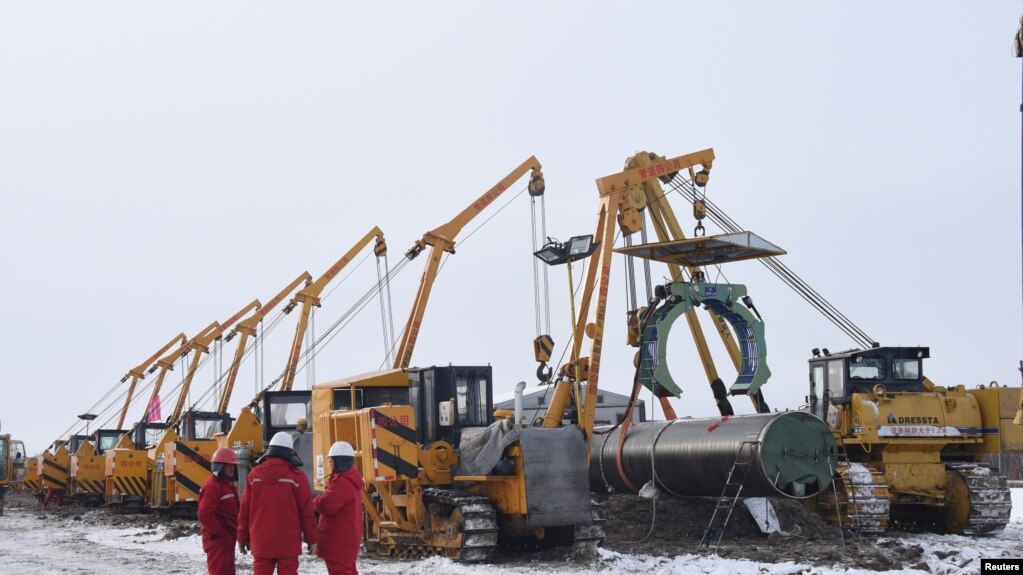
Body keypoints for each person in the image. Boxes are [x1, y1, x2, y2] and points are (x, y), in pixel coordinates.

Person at [237, 432, 318, 575]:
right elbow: (306, 512)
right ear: (289, 452)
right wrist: (311, 539)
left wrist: (242, 537)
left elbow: (245, 510)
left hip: (261, 541)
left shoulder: (253, 476)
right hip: (288, 543)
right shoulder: (297, 477)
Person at [313, 441, 364, 575]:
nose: (330, 463)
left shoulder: (341, 482)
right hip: (345, 539)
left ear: (339, 461)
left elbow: (327, 505)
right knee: (348, 570)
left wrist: (315, 501)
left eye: (332, 460)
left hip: (338, 540)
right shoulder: (349, 480)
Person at [198, 447, 240, 575]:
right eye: (227, 465)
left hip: (226, 539)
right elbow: (204, 514)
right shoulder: (213, 486)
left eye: (232, 465)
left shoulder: (227, 485)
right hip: (218, 540)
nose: (231, 468)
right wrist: (220, 532)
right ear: (219, 467)